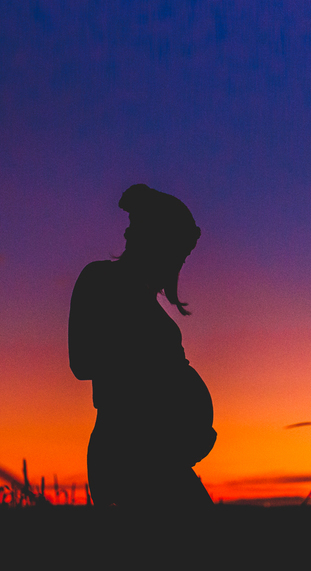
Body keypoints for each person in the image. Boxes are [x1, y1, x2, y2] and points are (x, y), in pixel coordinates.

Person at [69, 184, 216, 507]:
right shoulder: (101, 280)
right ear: (153, 240)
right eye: (175, 251)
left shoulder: (149, 304)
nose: (177, 263)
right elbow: (82, 361)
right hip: (129, 452)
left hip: (162, 454)